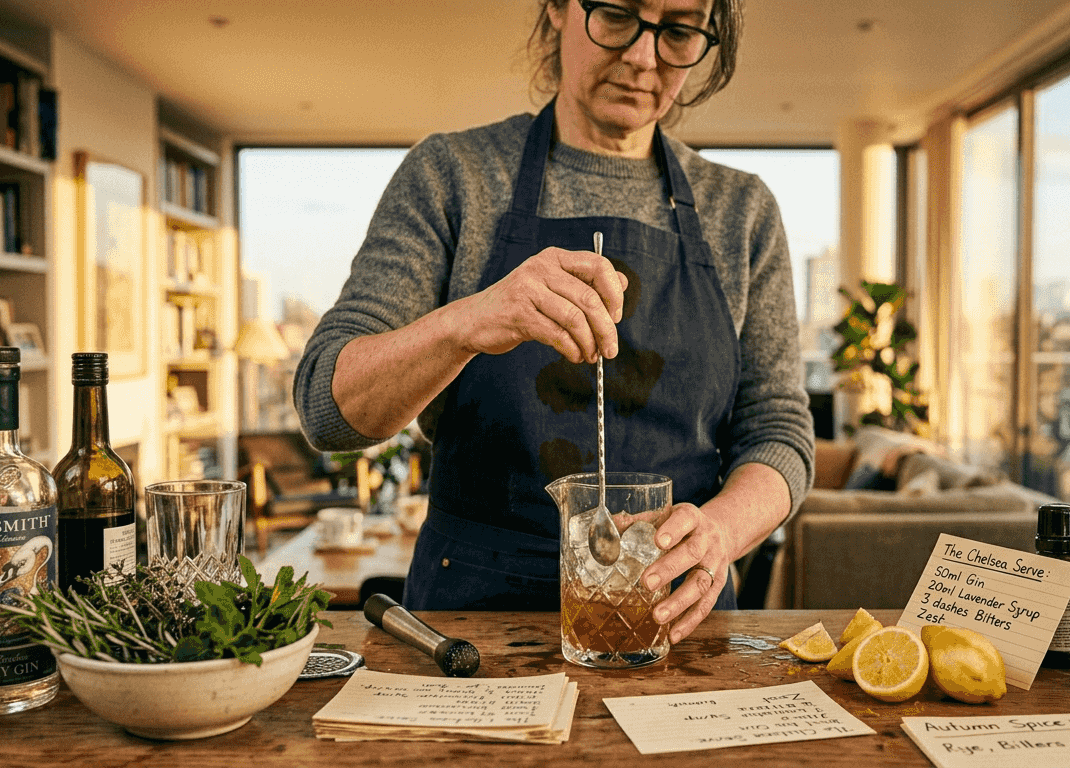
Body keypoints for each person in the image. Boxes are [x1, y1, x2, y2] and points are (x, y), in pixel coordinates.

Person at [295, 0, 813, 644]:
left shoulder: (741, 210)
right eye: (619, 14)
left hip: (676, 623)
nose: (643, 56)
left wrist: (721, 532)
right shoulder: (454, 176)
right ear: (559, 9)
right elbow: (326, 407)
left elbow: (779, 429)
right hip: (472, 623)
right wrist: (468, 321)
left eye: (678, 31)